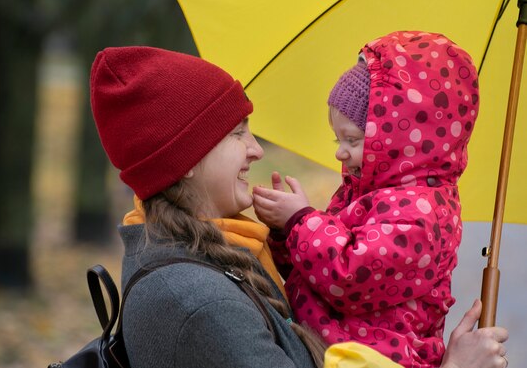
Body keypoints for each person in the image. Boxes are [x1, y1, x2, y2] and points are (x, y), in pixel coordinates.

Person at [89, 45, 507, 368]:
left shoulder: (221, 249)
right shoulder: (199, 303)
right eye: (238, 133)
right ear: (187, 160)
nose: (255, 150)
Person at [253, 31, 480, 368]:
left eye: (353, 139)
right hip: (334, 349)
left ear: (397, 139)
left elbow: (348, 277)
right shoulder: (364, 190)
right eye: (337, 138)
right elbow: (313, 269)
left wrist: (300, 221)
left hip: (376, 358)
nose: (341, 152)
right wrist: (286, 233)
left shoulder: (422, 214)